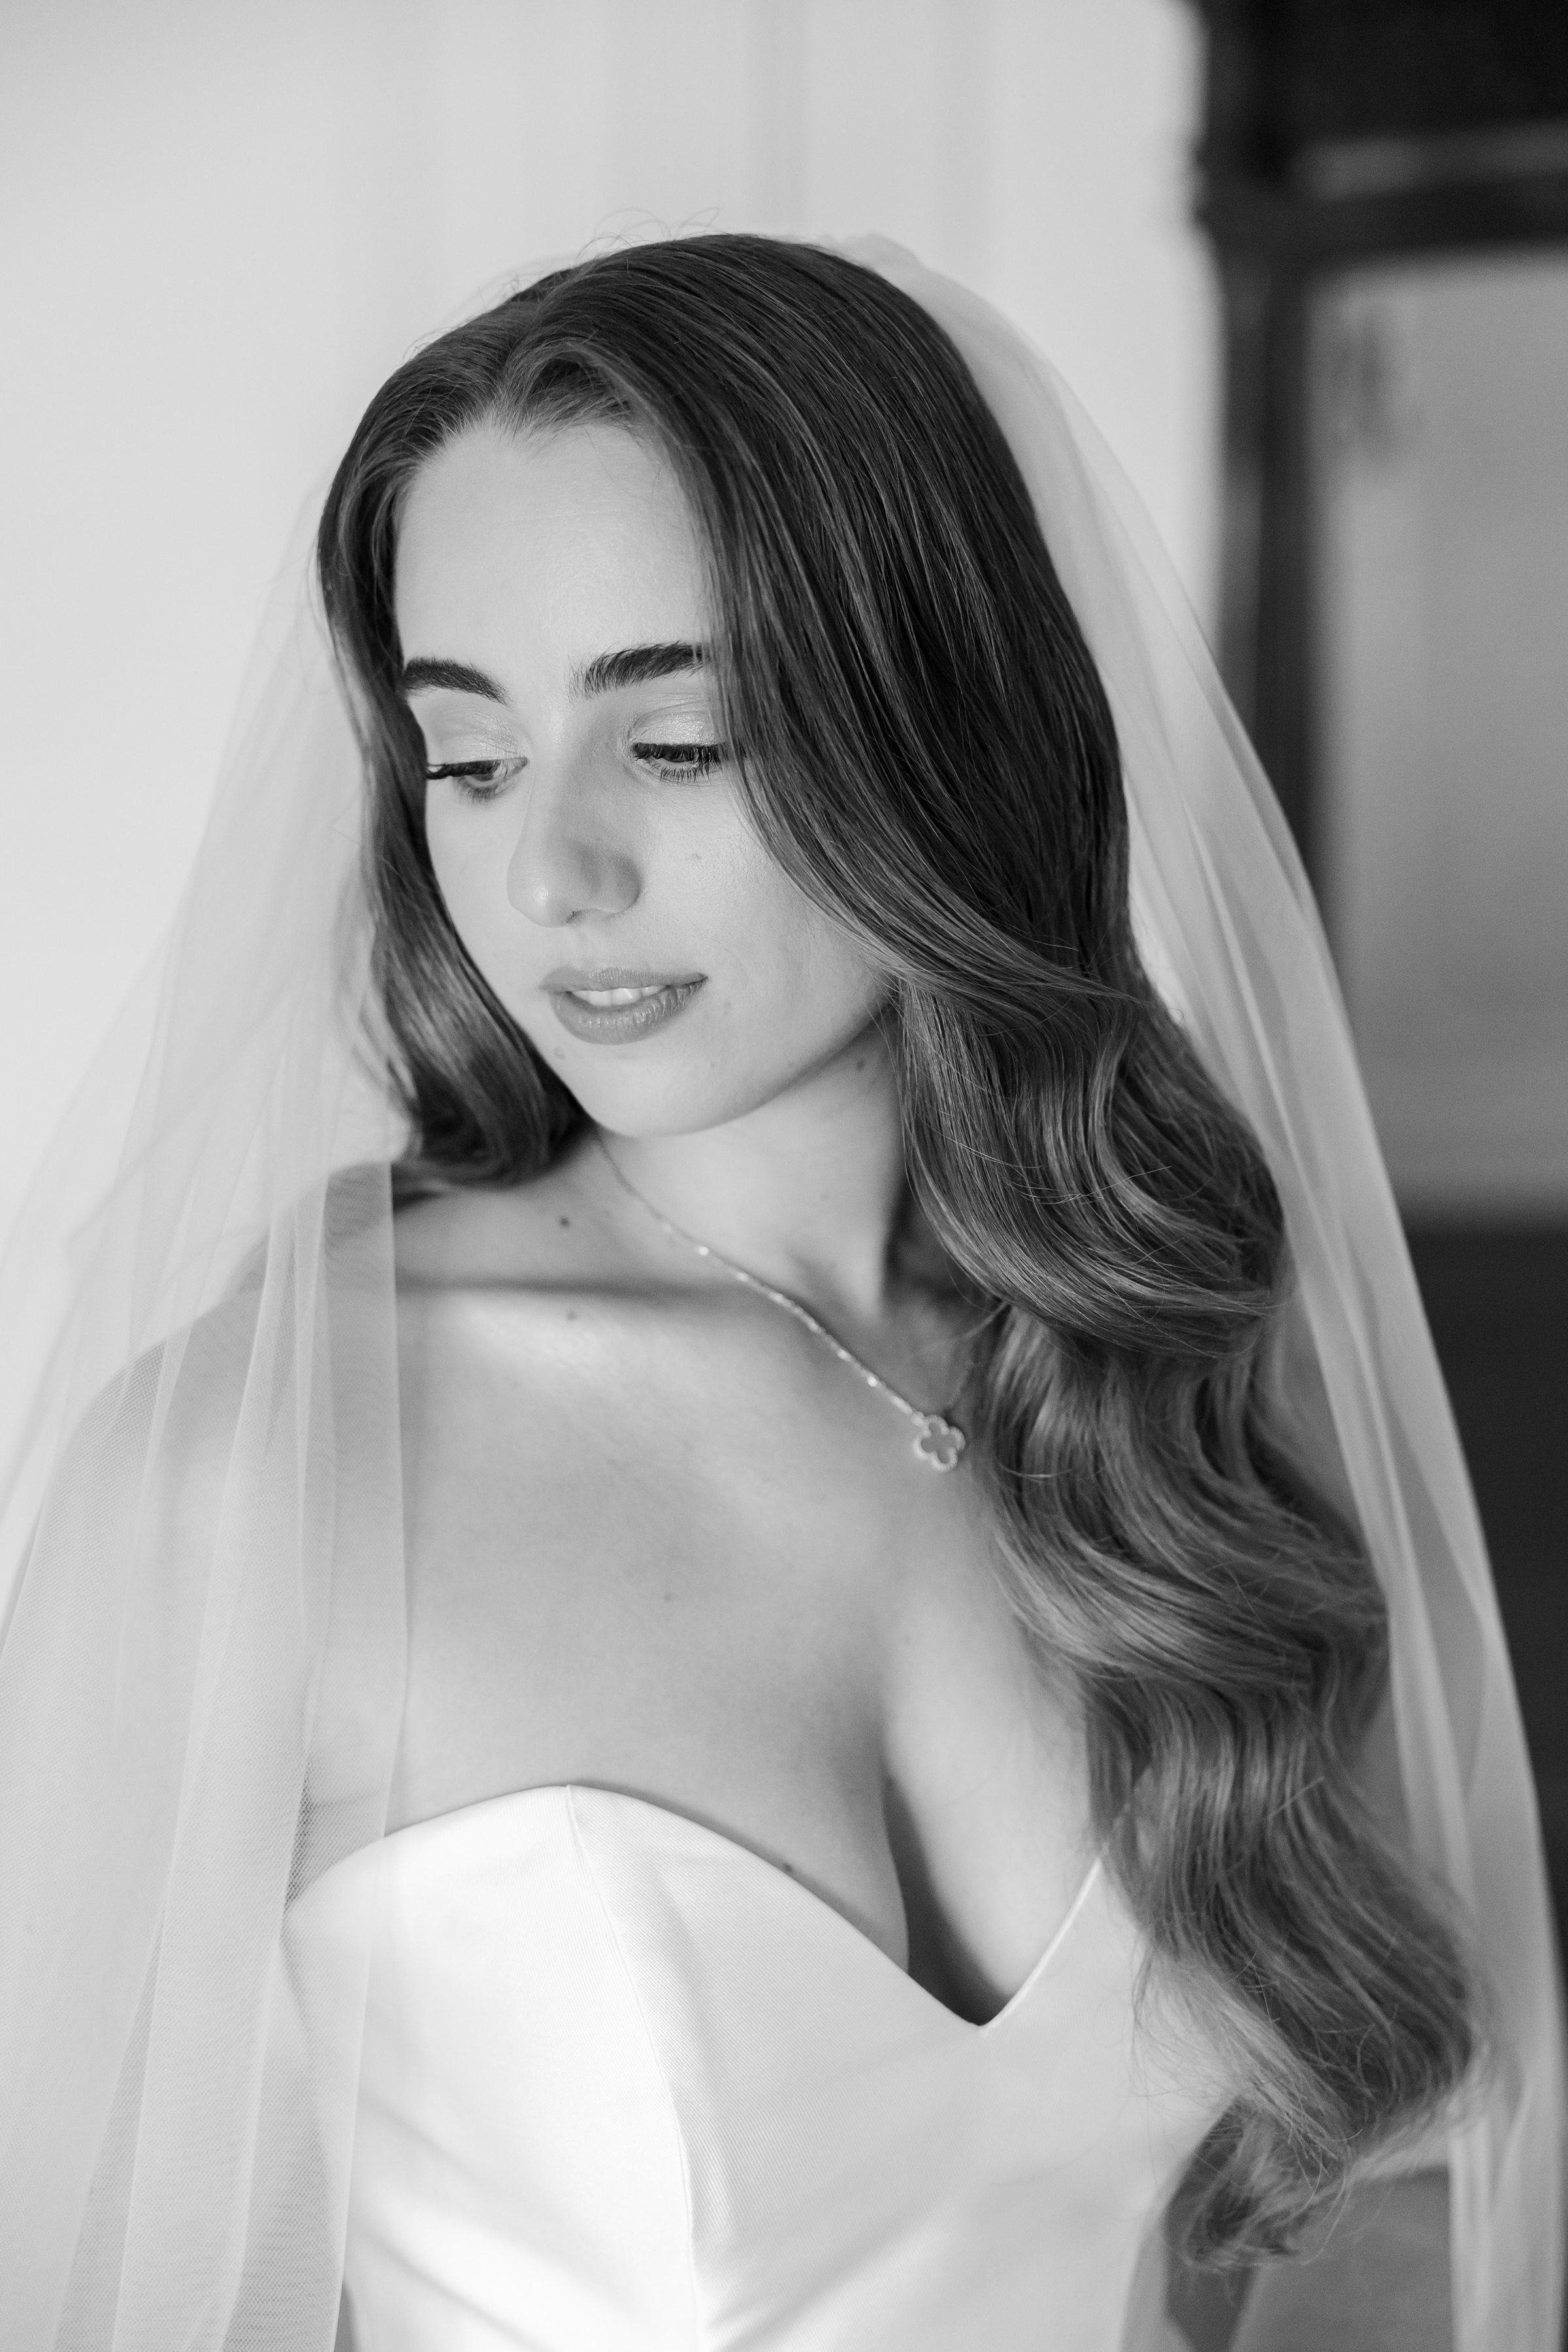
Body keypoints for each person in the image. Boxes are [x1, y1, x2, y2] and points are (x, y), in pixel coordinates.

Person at [0, 232, 1559, 2352]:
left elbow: (1383, 2206)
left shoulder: (1161, 1378)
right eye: (470, 760)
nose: (552, 872)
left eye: (677, 741)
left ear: (942, 727)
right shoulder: (254, 1478)